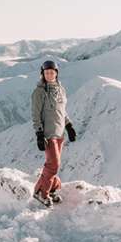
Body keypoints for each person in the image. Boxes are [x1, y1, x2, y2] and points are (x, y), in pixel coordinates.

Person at [31, 60, 77, 205]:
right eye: (46, 73)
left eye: (52, 72)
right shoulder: (39, 92)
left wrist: (69, 126)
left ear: (56, 73)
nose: (49, 75)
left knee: (54, 164)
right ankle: (40, 193)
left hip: (59, 133)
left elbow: (62, 111)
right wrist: (39, 133)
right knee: (53, 165)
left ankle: (50, 189)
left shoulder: (60, 90)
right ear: (42, 74)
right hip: (48, 134)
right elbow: (35, 114)